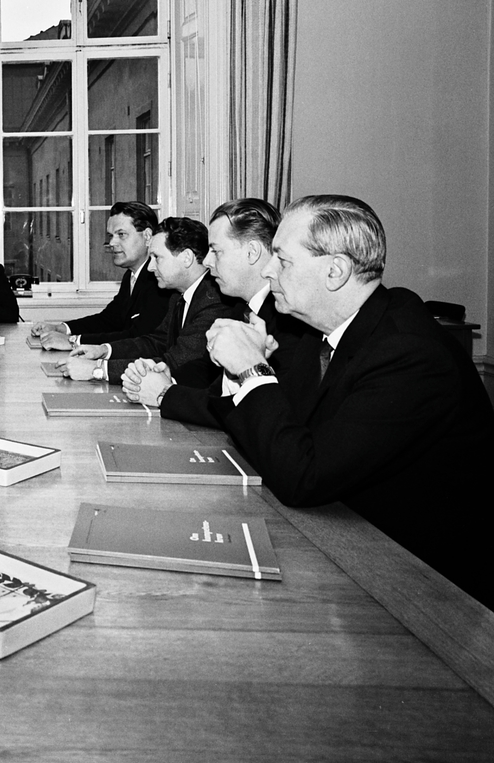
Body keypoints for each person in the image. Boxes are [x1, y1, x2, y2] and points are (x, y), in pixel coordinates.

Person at [203, 194, 494, 606]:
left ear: (335, 271)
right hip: (347, 538)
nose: (267, 270)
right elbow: (289, 435)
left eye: (282, 260)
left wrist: (252, 370)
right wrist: (246, 371)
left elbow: (304, 477)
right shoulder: (327, 332)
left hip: (428, 590)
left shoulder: (409, 353)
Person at [127, 198, 312, 418]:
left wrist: (165, 394)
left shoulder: (290, 321)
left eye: (216, 251)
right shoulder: (240, 308)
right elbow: (209, 371)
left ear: (252, 252)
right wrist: (170, 375)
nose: (206, 261)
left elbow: (253, 411)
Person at [56, 216, 240, 388]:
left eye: (157, 258)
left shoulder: (214, 301)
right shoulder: (179, 295)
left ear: (186, 258)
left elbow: (176, 362)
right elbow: (156, 342)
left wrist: (99, 370)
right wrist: (104, 350)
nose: (151, 267)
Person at [32, 202, 173, 350]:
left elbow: (139, 337)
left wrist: (74, 341)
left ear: (147, 236)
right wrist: (61, 329)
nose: (112, 242)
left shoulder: (160, 280)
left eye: (121, 234)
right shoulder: (131, 276)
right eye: (111, 236)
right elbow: (109, 320)